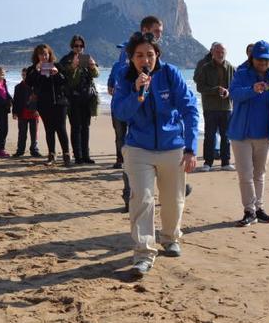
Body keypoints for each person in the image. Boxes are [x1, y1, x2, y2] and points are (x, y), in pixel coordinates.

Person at [112, 31, 199, 278]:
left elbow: (190, 109)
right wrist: (136, 93)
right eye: (139, 55)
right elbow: (121, 113)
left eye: (149, 54)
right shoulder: (124, 76)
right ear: (131, 58)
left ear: (157, 55)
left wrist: (191, 148)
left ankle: (170, 238)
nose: (145, 60)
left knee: (173, 199)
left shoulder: (170, 74)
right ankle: (143, 254)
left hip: (172, 147)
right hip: (138, 148)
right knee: (142, 199)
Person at [227, 40, 269, 226]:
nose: (263, 63)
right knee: (245, 174)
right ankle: (249, 210)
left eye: (266, 60)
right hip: (242, 133)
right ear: (252, 58)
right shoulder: (241, 75)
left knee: (260, 173)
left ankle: (259, 208)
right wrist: (252, 89)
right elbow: (234, 94)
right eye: (259, 60)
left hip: (266, 133)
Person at [109, 15, 164, 171]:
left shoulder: (168, 70)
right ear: (145, 30)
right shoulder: (128, 49)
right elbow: (119, 69)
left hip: (154, 125)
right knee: (121, 134)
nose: (159, 35)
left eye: (151, 55)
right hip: (129, 101)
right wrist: (115, 83)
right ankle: (123, 163)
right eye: (156, 31)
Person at [26, 44, 70, 166]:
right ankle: (51, 154)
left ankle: (66, 154)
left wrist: (57, 74)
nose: (44, 56)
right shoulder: (32, 69)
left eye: (46, 54)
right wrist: (37, 70)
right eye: (41, 54)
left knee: (61, 128)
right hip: (44, 103)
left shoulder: (57, 66)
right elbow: (29, 83)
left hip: (60, 102)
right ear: (37, 56)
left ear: (50, 54)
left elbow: (65, 81)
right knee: (49, 129)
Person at [194, 42, 235, 172]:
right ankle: (208, 163)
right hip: (210, 108)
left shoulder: (232, 68)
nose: (220, 54)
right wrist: (216, 90)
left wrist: (228, 92)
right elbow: (199, 87)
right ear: (212, 52)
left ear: (226, 53)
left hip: (227, 107)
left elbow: (236, 87)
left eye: (222, 51)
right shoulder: (205, 67)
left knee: (226, 136)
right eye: (217, 51)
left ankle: (225, 162)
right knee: (210, 136)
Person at [60, 35, 100, 164]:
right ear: (72, 46)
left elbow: (96, 75)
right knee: (76, 127)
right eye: (76, 46)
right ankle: (78, 156)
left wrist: (93, 66)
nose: (79, 48)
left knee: (86, 127)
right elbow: (69, 80)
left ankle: (86, 155)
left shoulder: (86, 58)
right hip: (73, 98)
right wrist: (73, 67)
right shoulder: (66, 60)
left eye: (81, 46)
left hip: (87, 98)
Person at [11, 68, 42, 158]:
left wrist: (38, 110)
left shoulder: (36, 86)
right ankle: (20, 150)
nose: (25, 77)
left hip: (34, 113)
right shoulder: (18, 87)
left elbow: (39, 100)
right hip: (22, 113)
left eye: (27, 75)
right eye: (23, 75)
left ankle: (34, 150)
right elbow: (15, 101)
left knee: (34, 133)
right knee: (22, 133)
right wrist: (14, 112)